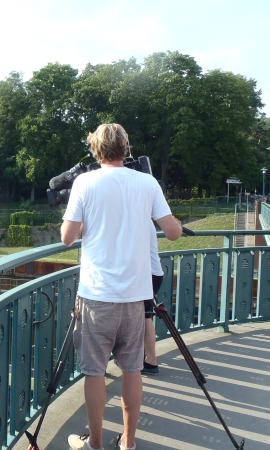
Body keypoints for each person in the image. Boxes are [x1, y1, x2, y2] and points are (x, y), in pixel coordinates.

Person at [60, 124, 182, 450]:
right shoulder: (147, 182)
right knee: (133, 371)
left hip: (96, 297)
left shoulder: (84, 182)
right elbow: (172, 232)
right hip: (135, 297)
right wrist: (176, 221)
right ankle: (128, 444)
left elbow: (68, 237)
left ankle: (96, 444)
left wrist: (86, 221)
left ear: (95, 149)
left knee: (94, 372)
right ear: (126, 148)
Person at [142, 223, 164, 376]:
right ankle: (149, 360)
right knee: (145, 315)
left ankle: (150, 361)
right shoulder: (144, 217)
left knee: (144, 317)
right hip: (152, 273)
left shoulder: (137, 216)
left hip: (145, 274)